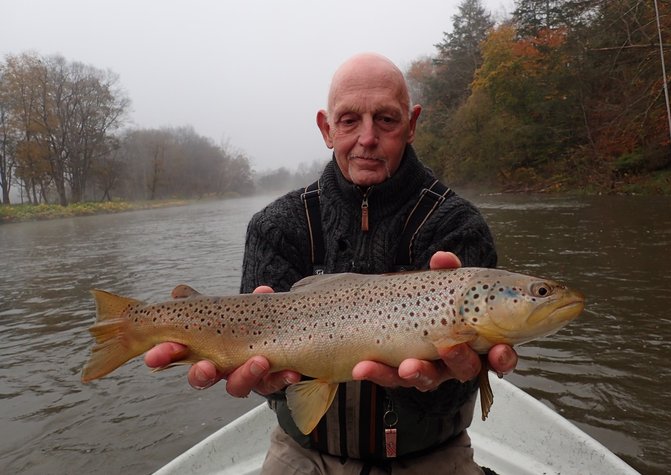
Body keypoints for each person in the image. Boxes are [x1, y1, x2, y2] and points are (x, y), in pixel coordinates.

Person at [145, 52, 518, 474]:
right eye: (349, 121)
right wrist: (272, 385)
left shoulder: (458, 224)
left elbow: (466, 381)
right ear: (326, 128)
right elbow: (265, 378)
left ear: (411, 124)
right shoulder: (276, 225)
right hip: (301, 453)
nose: (367, 138)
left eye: (386, 120)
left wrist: (442, 379)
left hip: (432, 454)